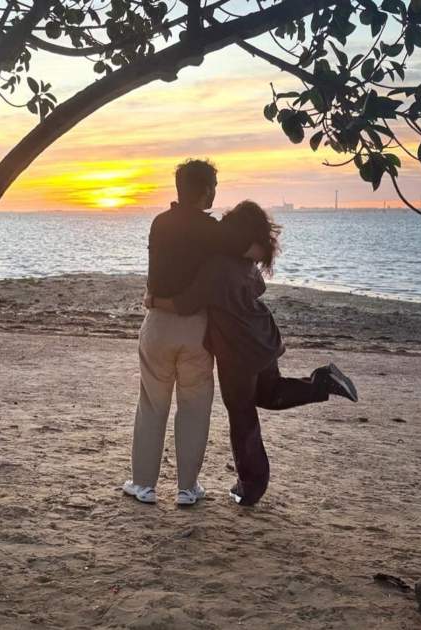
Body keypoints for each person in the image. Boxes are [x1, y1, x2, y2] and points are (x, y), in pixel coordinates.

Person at [148, 200, 358, 506]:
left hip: (239, 351)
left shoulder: (218, 266)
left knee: (242, 415)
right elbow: (258, 288)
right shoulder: (245, 264)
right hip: (263, 337)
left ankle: (251, 486)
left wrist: (153, 301)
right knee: (269, 393)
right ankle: (322, 382)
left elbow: (187, 303)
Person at [123, 160, 264, 506]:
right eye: (213, 186)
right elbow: (253, 250)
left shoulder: (160, 223)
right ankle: (187, 488)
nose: (215, 193)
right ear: (205, 190)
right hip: (196, 327)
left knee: (151, 404)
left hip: (158, 322)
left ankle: (143, 485)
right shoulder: (211, 230)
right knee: (194, 407)